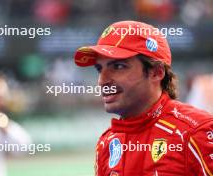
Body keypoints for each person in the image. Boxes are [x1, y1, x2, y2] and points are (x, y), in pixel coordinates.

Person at [74, 21, 213, 176]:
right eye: (100, 69)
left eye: (118, 67)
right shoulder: (107, 142)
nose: (102, 80)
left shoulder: (196, 132)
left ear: (156, 72)